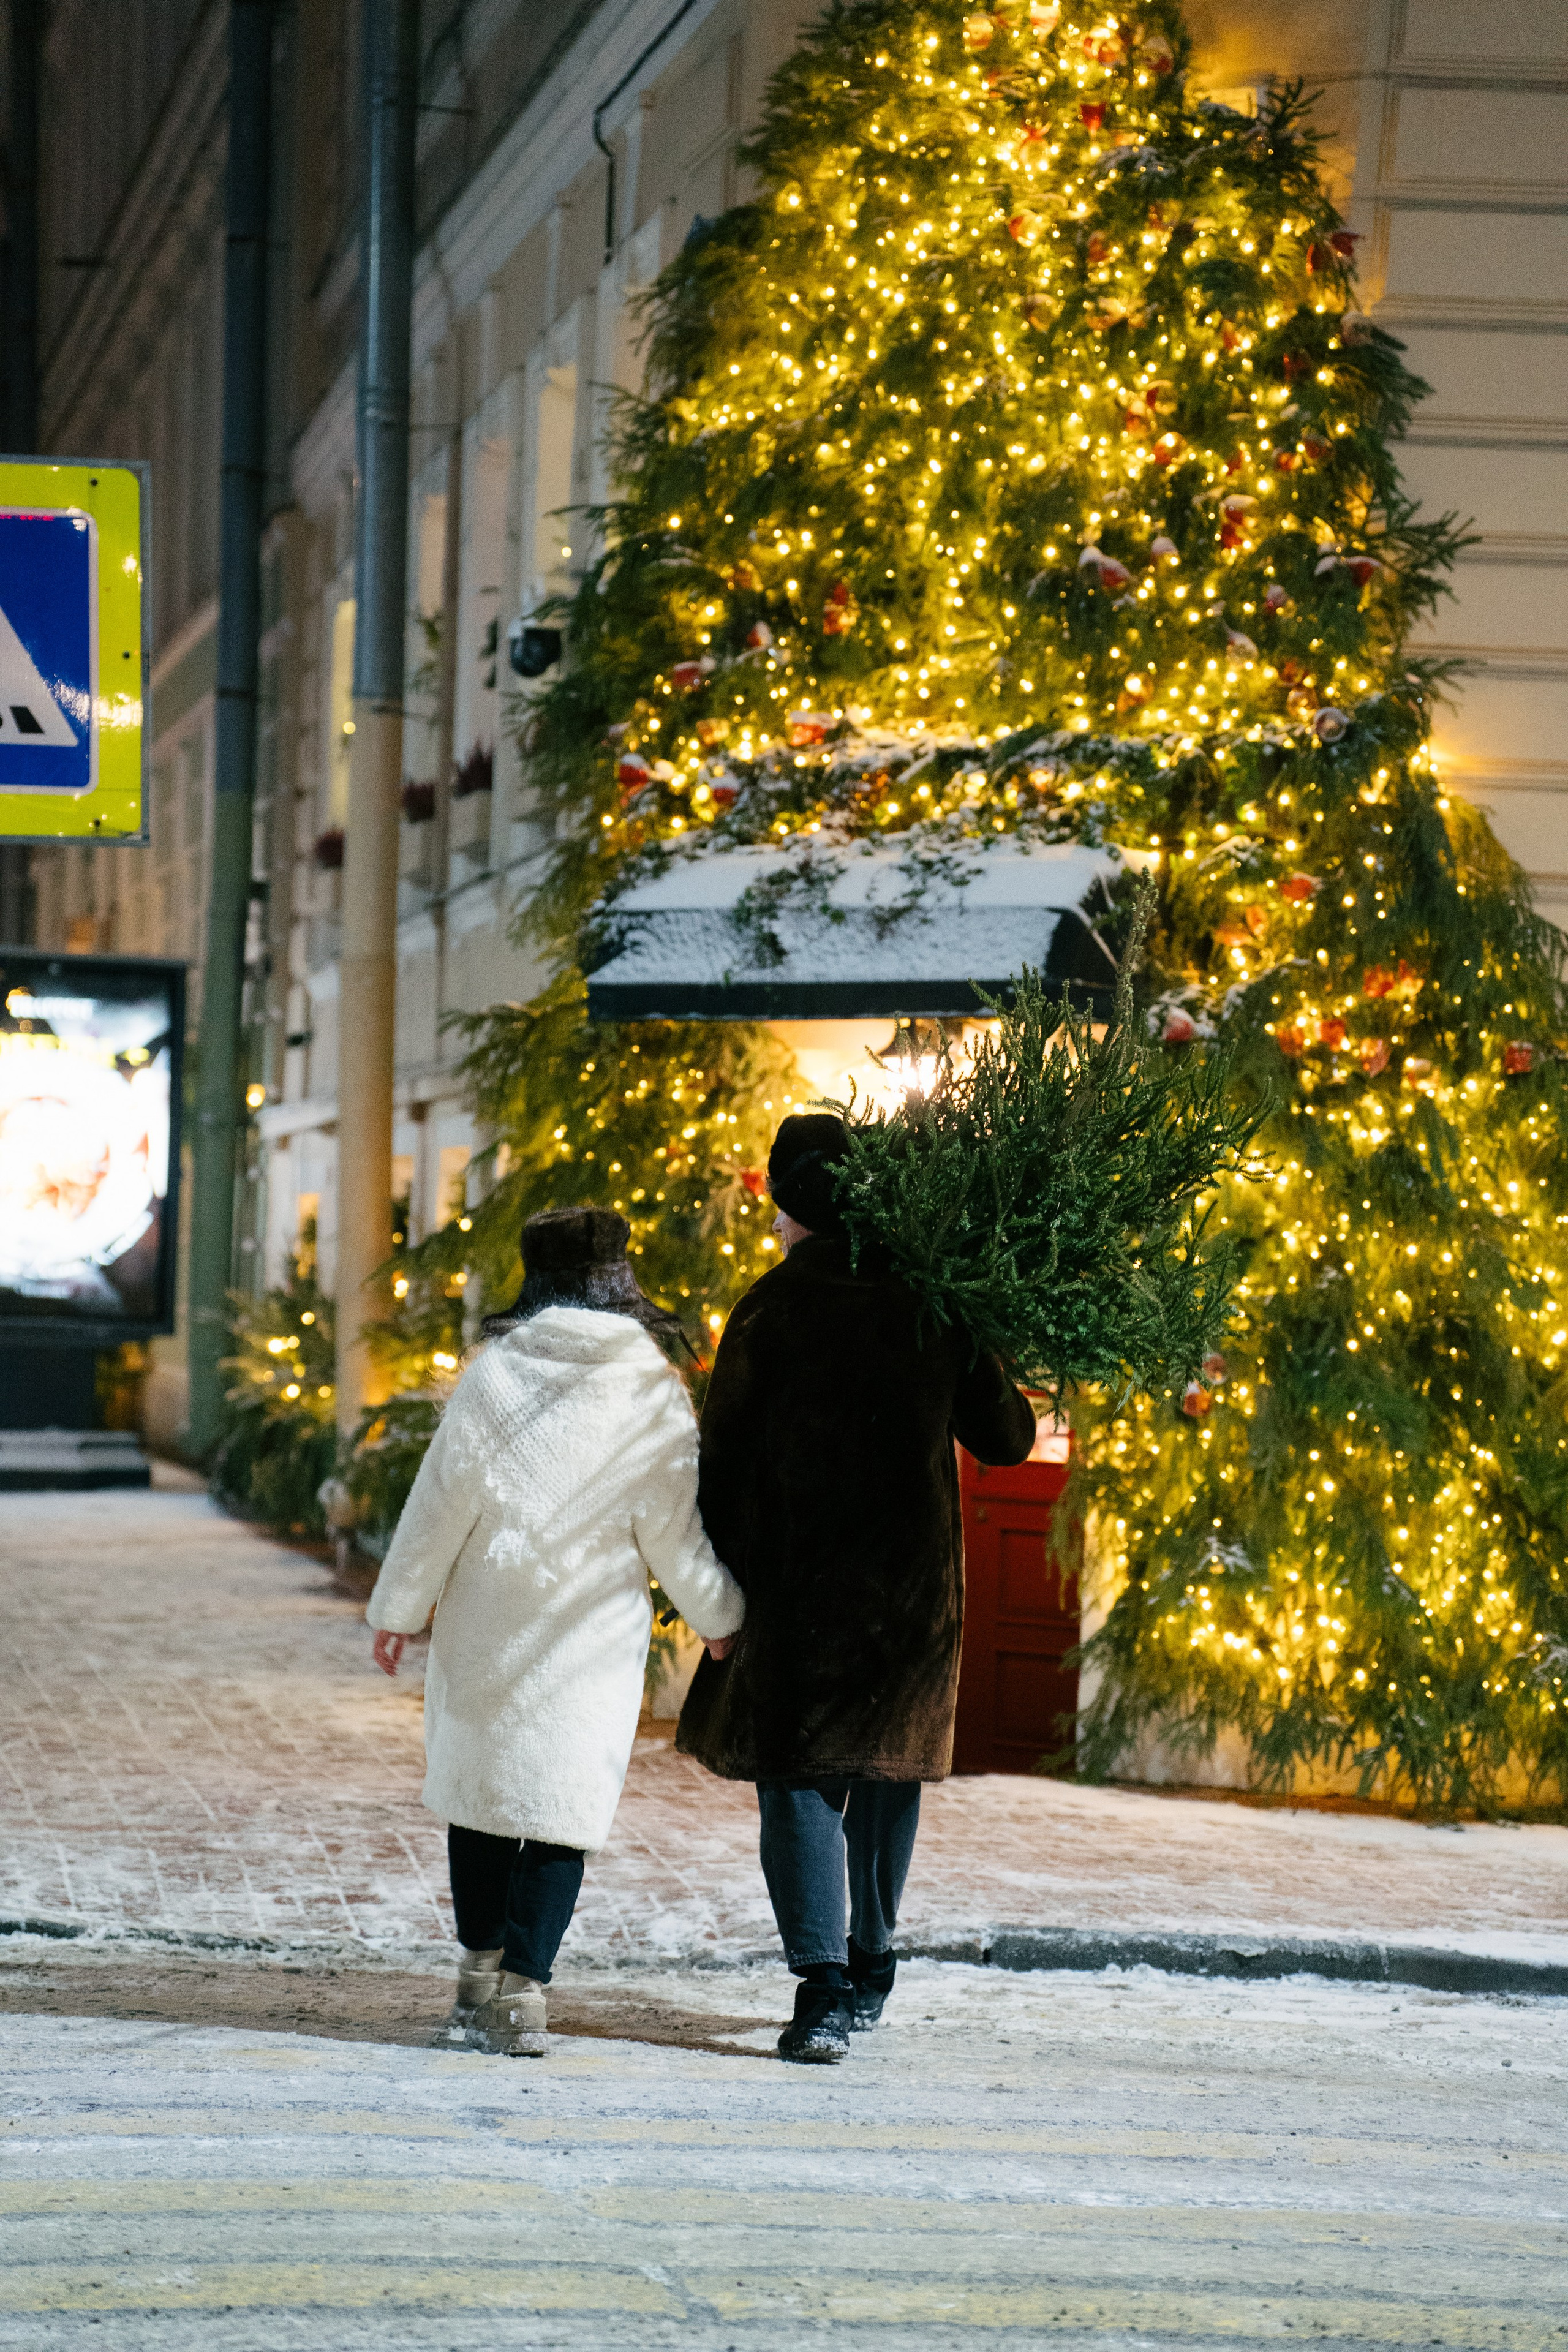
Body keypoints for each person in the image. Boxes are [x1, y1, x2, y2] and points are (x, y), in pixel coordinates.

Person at [677, 1113, 1036, 2062]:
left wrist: (713, 1599)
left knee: (798, 1782)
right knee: (887, 1776)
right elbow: (1007, 1440)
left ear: (793, 1206)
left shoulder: (766, 1309)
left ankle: (824, 1988)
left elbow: (719, 1467)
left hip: (797, 1601)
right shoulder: (932, 1299)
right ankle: (872, 1960)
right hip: (913, 1605)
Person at [366, 1205, 744, 2056]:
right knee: (562, 1811)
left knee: (482, 1802)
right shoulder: (651, 1387)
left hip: (489, 1627)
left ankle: (475, 1978)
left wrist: (397, 1612)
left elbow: (438, 1510)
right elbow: (673, 1535)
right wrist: (718, 1616)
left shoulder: (493, 1376)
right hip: (589, 1639)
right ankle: (525, 1993)